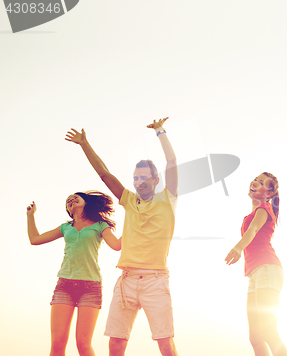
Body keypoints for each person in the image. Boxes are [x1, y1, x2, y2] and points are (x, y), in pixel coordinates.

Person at [65, 117, 179, 356]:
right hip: (126, 280)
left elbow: (171, 161)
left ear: (156, 180)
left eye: (144, 177)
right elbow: (104, 175)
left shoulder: (167, 200)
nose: (138, 182)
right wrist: (84, 144)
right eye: (136, 178)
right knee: (116, 343)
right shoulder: (129, 200)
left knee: (165, 343)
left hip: (155, 281)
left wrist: (160, 131)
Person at [26, 191, 121, 356]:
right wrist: (30, 216)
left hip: (90, 287)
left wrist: (135, 224)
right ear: (69, 211)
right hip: (64, 286)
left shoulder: (100, 225)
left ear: (86, 202)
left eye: (75, 197)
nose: (71, 200)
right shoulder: (65, 227)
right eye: (68, 201)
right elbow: (35, 239)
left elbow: (117, 245)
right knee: (57, 345)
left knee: (83, 344)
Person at [225, 172, 287, 356]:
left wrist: (238, 248)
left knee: (268, 331)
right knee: (255, 337)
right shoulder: (254, 212)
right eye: (256, 180)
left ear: (269, 194)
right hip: (255, 273)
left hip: (267, 269)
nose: (255, 183)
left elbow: (253, 229)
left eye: (261, 183)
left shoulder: (264, 208)